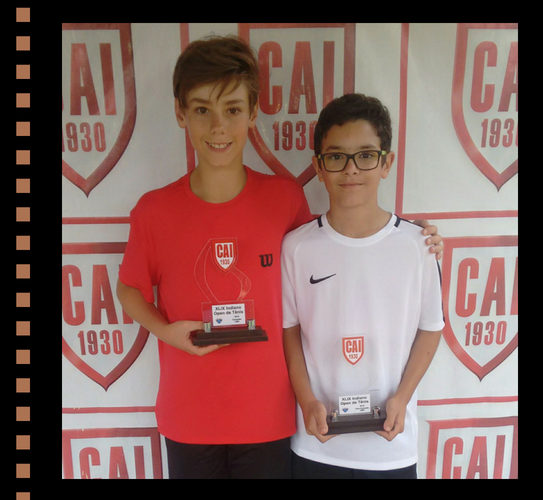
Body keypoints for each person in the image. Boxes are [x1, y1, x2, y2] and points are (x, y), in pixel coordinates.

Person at [117, 35, 443, 479]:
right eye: (202, 110)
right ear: (180, 113)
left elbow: (337, 247)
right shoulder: (155, 210)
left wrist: (407, 236)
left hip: (269, 418)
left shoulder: (284, 199)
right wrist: (166, 332)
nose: (218, 127)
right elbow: (129, 289)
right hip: (188, 415)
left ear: (253, 113)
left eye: (233, 109)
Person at [281, 93, 445, 479]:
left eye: (366, 155)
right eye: (336, 157)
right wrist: (306, 400)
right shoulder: (297, 247)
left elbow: (431, 328)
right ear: (318, 167)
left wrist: (402, 398)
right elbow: (289, 332)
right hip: (317, 444)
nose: (351, 169)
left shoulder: (418, 245)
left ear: (386, 163)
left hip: (390, 447)